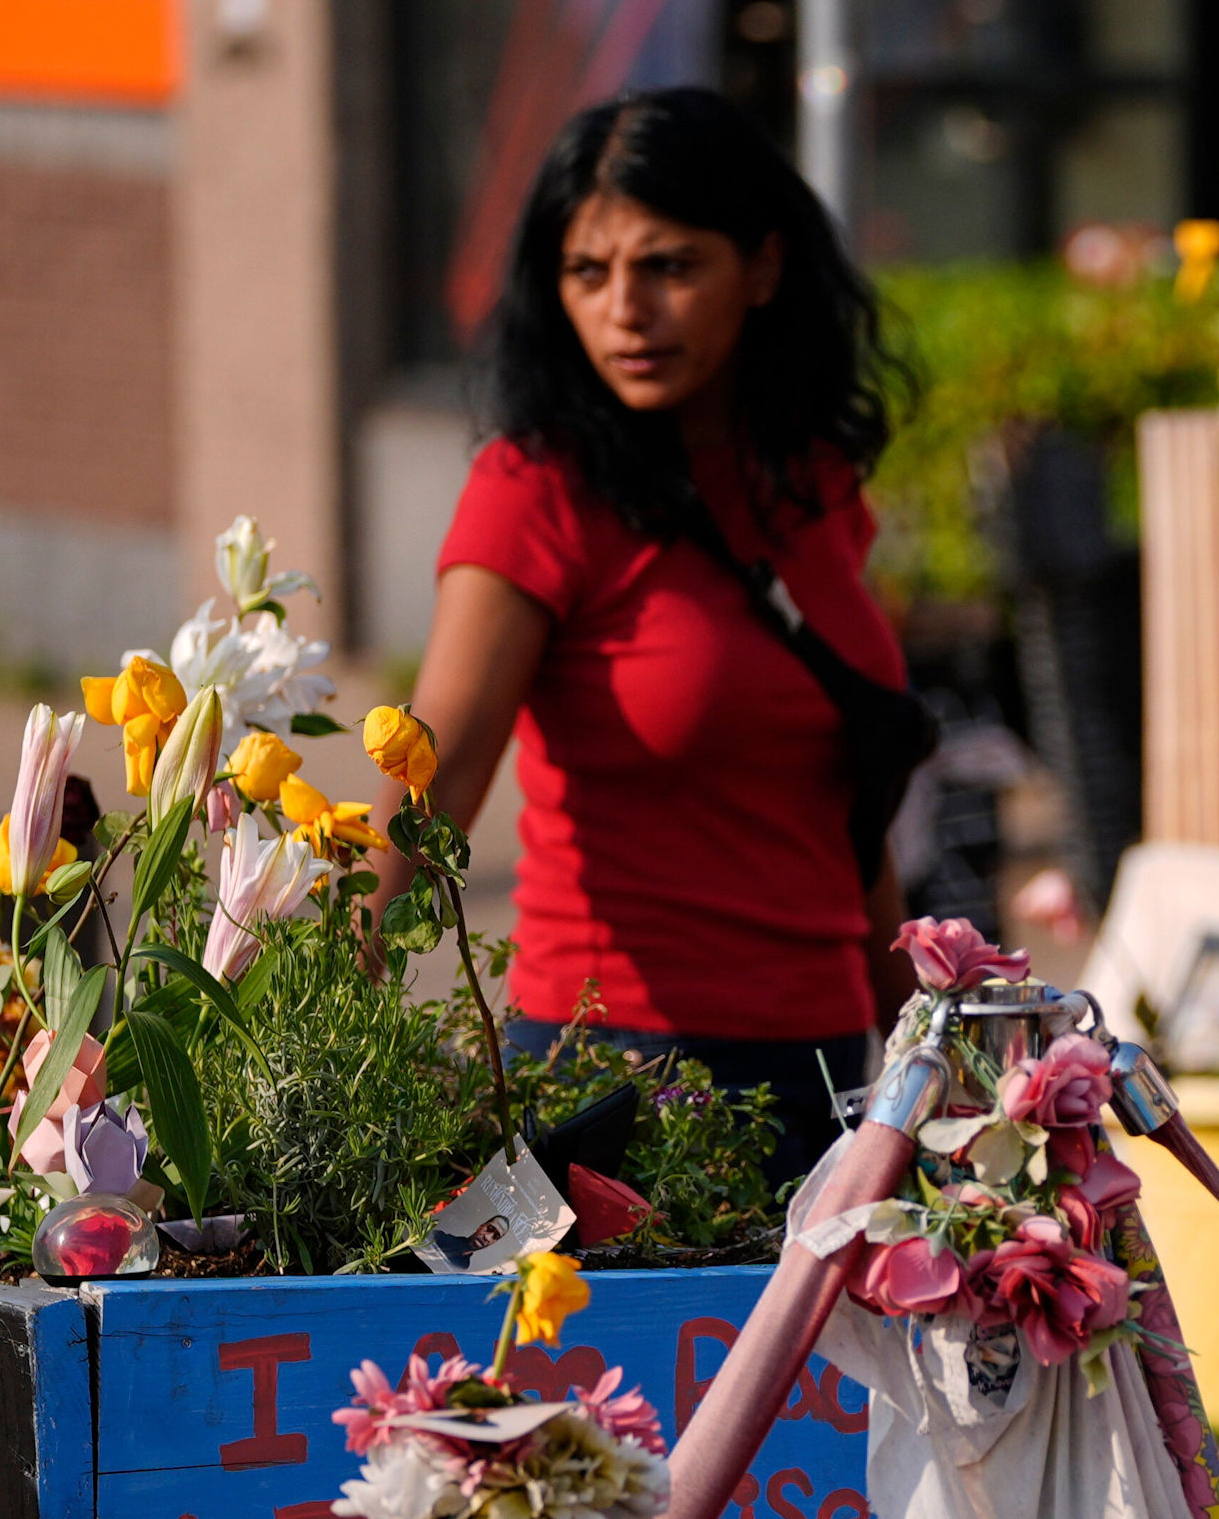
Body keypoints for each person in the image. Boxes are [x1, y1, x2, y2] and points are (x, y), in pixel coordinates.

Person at [376, 89, 918, 1186]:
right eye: (589, 272)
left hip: (825, 1074)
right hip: (611, 1083)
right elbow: (426, 788)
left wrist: (926, 1045)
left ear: (762, 269)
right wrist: (310, 1061)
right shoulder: (535, 491)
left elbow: (838, 805)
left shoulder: (813, 485)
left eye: (670, 265)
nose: (627, 308)